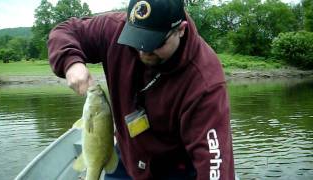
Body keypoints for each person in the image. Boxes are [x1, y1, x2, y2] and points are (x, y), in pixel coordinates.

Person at [48, 0, 235, 179]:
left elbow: (214, 163)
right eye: (137, 39)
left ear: (180, 29)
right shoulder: (114, 29)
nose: (144, 50)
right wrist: (71, 63)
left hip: (174, 169)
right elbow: (65, 31)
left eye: (156, 43)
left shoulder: (205, 82)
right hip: (127, 159)